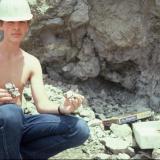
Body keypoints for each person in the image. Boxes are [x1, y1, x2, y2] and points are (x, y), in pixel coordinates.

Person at [0, 0, 90, 159]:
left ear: (28, 25)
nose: (16, 27)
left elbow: (42, 105)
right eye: (11, 22)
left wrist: (64, 108)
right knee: (10, 112)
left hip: (18, 124)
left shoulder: (31, 62)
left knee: (79, 128)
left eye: (21, 22)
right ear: (1, 24)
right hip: (6, 120)